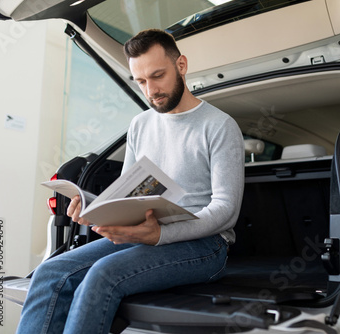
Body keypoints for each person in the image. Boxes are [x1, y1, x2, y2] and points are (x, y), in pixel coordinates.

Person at [16, 29, 244, 333]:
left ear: (181, 65)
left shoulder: (220, 126)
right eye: (141, 81)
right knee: (50, 271)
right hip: (146, 236)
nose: (151, 90)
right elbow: (128, 194)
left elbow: (226, 209)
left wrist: (159, 236)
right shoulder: (140, 124)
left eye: (158, 75)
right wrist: (91, 205)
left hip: (204, 247)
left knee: (102, 275)